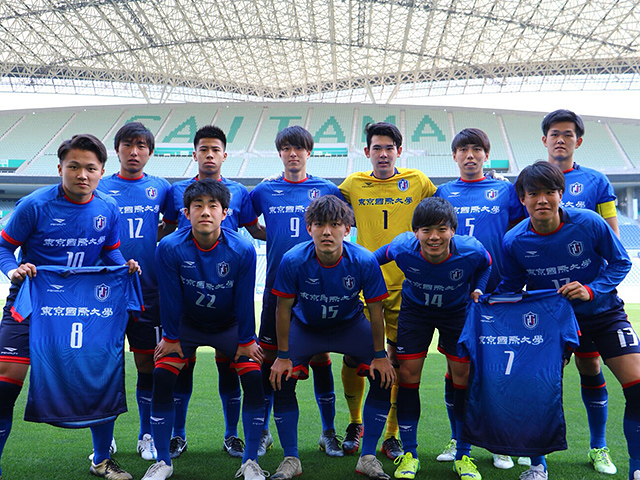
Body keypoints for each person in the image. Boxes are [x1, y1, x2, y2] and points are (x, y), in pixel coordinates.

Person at [0, 134, 140, 480]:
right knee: (4, 384)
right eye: (74, 166)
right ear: (60, 167)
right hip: (31, 304)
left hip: (84, 310)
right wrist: (13, 269)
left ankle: (101, 459)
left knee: (101, 379)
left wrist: (125, 266)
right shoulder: (34, 205)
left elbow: (110, 251)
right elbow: (3, 247)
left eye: (90, 168)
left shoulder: (107, 208)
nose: (82, 174)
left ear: (102, 171)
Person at [496, 161, 640, 480]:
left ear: (561, 194)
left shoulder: (589, 222)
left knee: (638, 386)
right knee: (535, 390)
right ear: (523, 198)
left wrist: (591, 289)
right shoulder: (514, 241)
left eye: (550, 191)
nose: (542, 199)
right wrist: (486, 300)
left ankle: (634, 466)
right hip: (550, 324)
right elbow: (509, 286)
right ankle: (537, 466)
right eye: (534, 193)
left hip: (602, 314)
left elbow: (620, 263)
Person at [142, 179, 266, 480]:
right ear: (186, 212)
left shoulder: (242, 248)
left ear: (225, 212)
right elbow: (169, 298)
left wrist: (247, 340)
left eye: (214, 206)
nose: (206, 212)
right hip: (188, 327)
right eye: (198, 206)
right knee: (161, 374)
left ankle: (250, 462)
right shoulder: (170, 247)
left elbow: (244, 298)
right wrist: (171, 338)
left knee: (252, 377)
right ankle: (163, 461)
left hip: (228, 326)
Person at [269, 195, 396, 480]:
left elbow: (376, 311)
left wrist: (379, 356)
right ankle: (291, 459)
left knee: (385, 376)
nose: (327, 231)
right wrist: (282, 356)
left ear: (347, 229)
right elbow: (283, 309)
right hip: (306, 328)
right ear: (309, 228)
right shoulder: (293, 260)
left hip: (350, 327)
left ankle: (368, 456)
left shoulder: (363, 260)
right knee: (280, 378)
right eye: (320, 224)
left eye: (335, 224)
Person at [160, 125, 265, 459]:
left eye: (215, 149)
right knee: (179, 369)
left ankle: (232, 435)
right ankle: (175, 436)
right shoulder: (175, 192)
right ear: (195, 154)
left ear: (224, 154)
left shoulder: (239, 194)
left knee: (230, 369)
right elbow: (161, 226)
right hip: (190, 285)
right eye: (203, 149)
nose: (209, 155)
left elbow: (252, 229)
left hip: (226, 290)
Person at [374, 197, 491, 480]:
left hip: (455, 313)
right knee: (409, 376)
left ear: (453, 230)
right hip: (415, 313)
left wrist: (478, 289)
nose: (434, 237)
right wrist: (370, 289)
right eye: (426, 230)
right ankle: (410, 453)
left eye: (441, 229)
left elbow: (486, 264)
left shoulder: (471, 250)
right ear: (416, 232)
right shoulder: (402, 247)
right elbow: (370, 261)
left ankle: (464, 454)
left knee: (462, 377)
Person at [338, 122, 436, 458]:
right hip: (364, 287)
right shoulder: (352, 184)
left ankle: (391, 435)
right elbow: (331, 209)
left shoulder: (419, 181)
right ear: (367, 152)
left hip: (407, 288)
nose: (383, 154)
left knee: (394, 361)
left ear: (398, 151)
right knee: (353, 357)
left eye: (389, 148)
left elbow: (440, 212)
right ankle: (354, 423)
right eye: (376, 148)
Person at [250, 126, 344, 457]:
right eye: (287, 148)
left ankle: (328, 432)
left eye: (299, 148)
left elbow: (342, 226)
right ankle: (262, 431)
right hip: (278, 288)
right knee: (270, 359)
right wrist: (275, 242)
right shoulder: (264, 190)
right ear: (279, 153)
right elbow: (250, 224)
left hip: (317, 290)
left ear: (309, 152)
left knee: (321, 356)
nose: (293, 153)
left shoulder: (327, 189)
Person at [434, 127, 524, 469]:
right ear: (454, 156)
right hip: (454, 296)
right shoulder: (443, 192)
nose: (470, 156)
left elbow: (518, 236)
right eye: (463, 150)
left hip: (498, 294)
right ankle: (459, 437)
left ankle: (497, 442)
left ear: (486, 155)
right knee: (454, 369)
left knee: (495, 370)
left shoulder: (505, 191)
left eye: (476, 150)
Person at [542, 109, 620, 474]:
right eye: (554, 133)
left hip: (588, 297)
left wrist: (593, 287)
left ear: (579, 141)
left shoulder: (596, 181)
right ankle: (535, 452)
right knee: (541, 373)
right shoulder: (530, 181)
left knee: (590, 364)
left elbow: (613, 236)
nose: (561, 139)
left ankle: (599, 446)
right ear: (544, 140)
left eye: (568, 134)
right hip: (547, 301)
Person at [97, 122, 171, 462]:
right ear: (118, 149)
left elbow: (170, 224)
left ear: (151, 152)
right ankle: (105, 440)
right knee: (106, 366)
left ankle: (146, 435)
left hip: (148, 292)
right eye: (128, 144)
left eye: (142, 145)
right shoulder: (100, 187)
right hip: (106, 292)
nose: (135, 151)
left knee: (146, 364)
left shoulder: (162, 188)